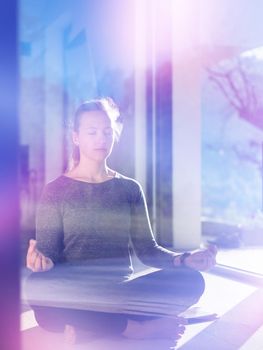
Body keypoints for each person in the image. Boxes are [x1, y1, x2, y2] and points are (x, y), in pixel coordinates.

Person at [26, 97, 217, 344]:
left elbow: (148, 251)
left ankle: (93, 326)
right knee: (36, 284)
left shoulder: (129, 189)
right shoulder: (55, 191)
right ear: (76, 137)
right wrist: (41, 263)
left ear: (115, 134)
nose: (101, 139)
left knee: (191, 280)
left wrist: (183, 259)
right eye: (92, 132)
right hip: (77, 293)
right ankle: (136, 328)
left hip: (121, 293)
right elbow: (50, 256)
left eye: (107, 131)